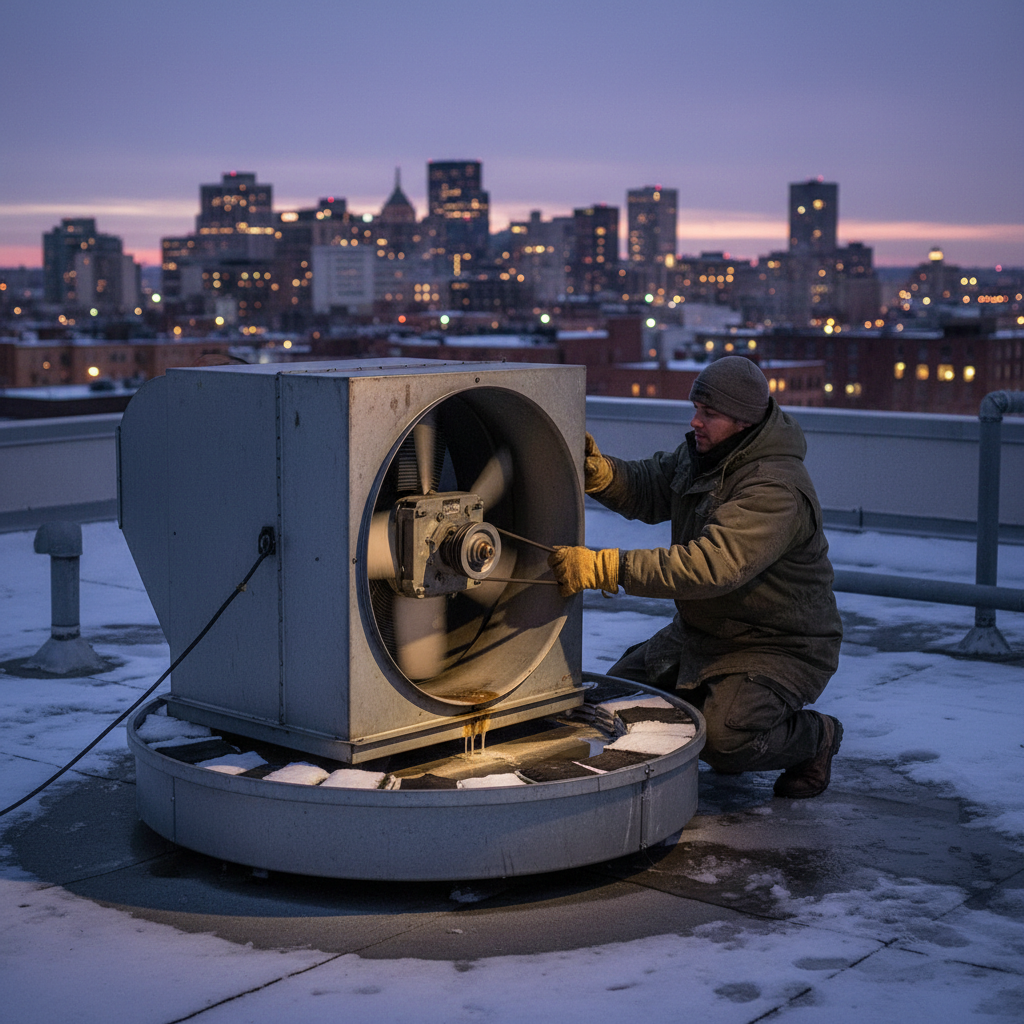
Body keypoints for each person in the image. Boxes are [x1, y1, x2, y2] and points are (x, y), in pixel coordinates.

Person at [548, 356, 844, 799]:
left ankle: (816, 737)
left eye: (709, 413)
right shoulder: (707, 456)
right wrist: (602, 474)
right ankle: (724, 708)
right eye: (696, 408)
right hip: (704, 633)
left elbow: (711, 567)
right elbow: (652, 485)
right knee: (609, 702)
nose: (695, 421)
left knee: (725, 741)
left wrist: (606, 568)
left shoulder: (773, 488)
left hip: (778, 644)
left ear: (743, 421)